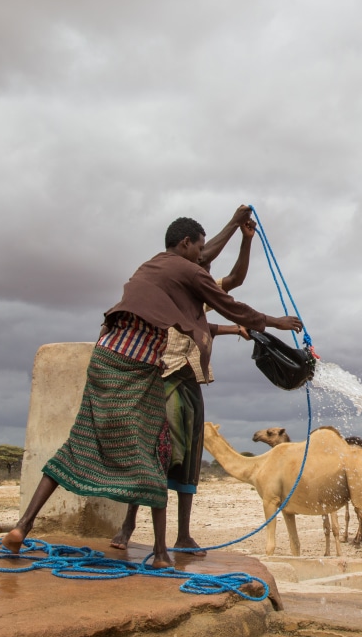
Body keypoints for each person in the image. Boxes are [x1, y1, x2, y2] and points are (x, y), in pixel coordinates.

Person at [2, 212, 303, 568]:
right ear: (186, 244)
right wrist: (274, 322)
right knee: (156, 451)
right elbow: (230, 302)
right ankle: (161, 552)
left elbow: (214, 271)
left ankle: (22, 526)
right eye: (199, 247)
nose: (203, 255)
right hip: (140, 368)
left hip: (105, 359)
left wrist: (239, 227)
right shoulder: (188, 272)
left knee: (79, 443)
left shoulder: (157, 266)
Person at [109, 207, 258, 555]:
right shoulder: (175, 285)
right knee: (156, 452)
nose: (204, 264)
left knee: (188, 458)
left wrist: (246, 241)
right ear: (187, 247)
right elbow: (209, 264)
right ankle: (129, 525)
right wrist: (235, 223)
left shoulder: (198, 288)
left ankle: (183, 535)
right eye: (199, 255)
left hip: (192, 379)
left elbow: (233, 281)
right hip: (166, 375)